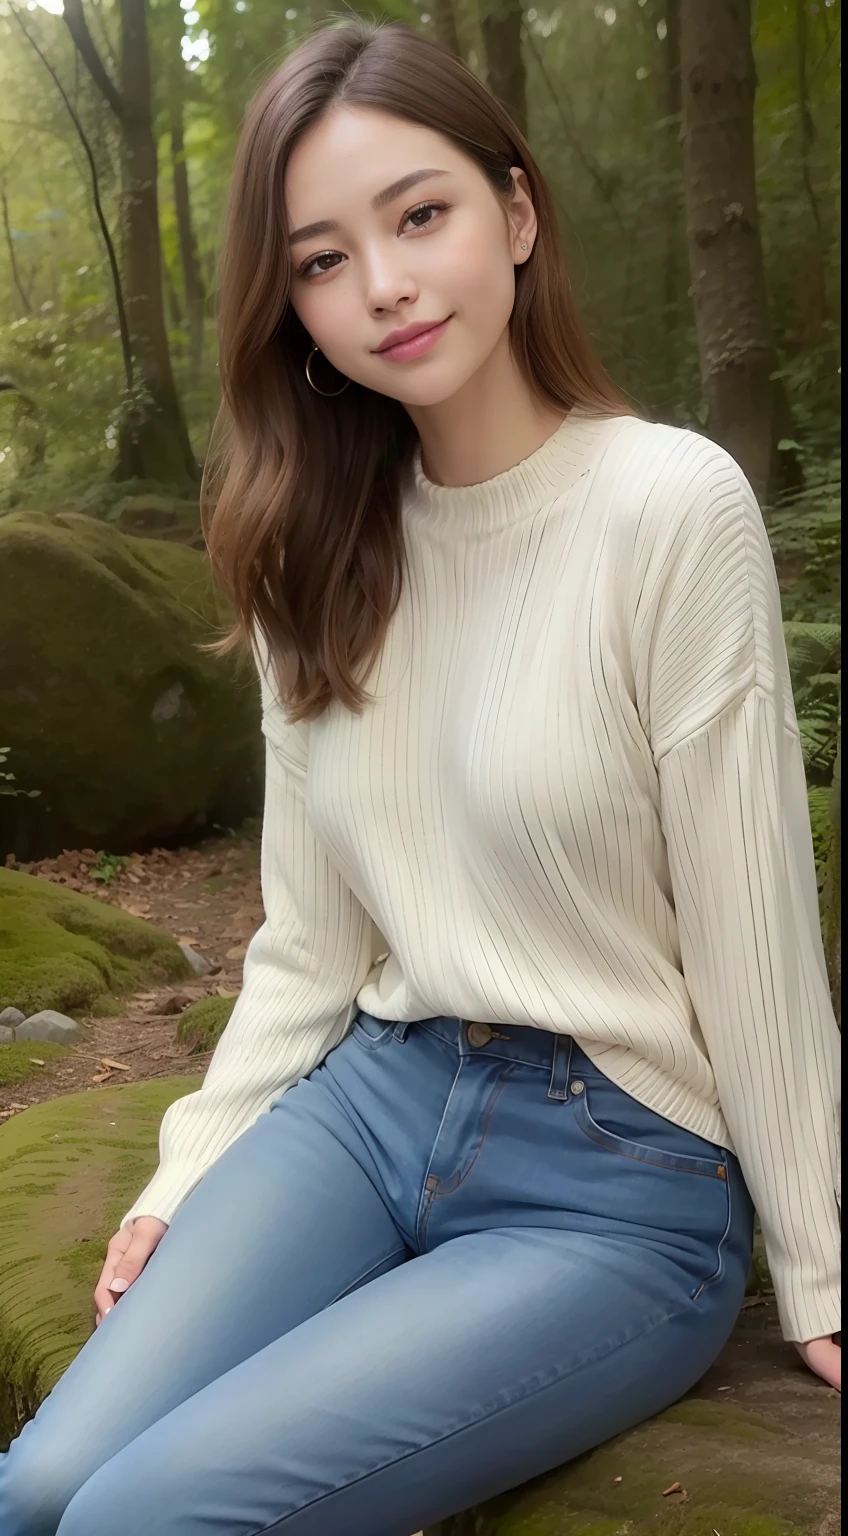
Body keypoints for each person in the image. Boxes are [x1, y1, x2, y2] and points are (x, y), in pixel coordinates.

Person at [0, 18, 840, 1536]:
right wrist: (186, 1167)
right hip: (374, 1107)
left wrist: (822, 1260)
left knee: (145, 1519)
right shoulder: (311, 550)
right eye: (320, 259)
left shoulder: (665, 506)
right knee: (43, 1488)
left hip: (618, 1177)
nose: (381, 284)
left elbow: (753, 910)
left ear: (517, 215)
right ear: (291, 309)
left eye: (421, 215)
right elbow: (310, 943)